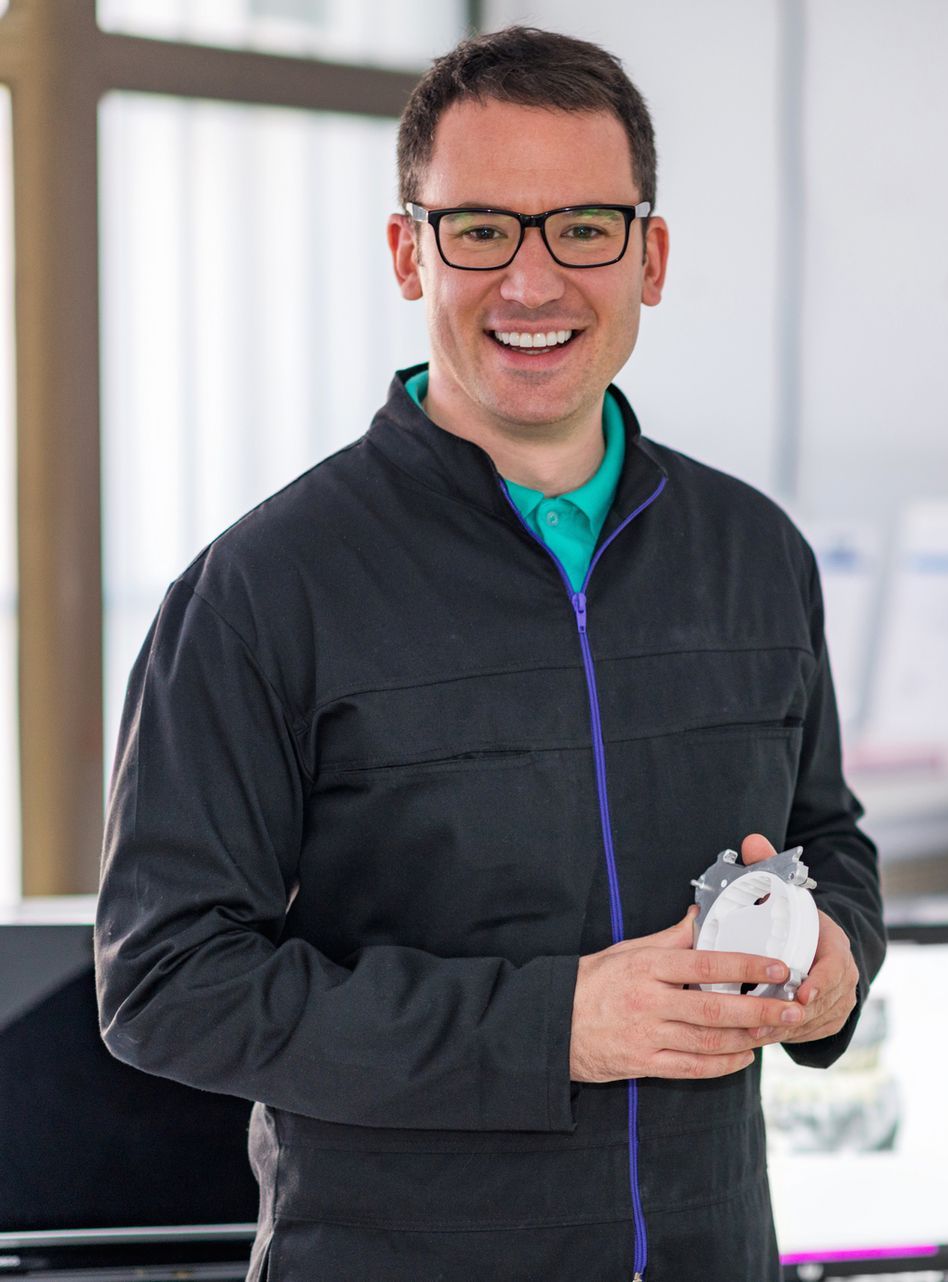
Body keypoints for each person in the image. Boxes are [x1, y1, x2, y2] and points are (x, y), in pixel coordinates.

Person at [92, 25, 883, 1281]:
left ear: (650, 256)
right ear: (410, 250)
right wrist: (552, 1024)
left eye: (582, 227)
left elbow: (829, 839)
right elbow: (168, 983)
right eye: (481, 230)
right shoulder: (263, 588)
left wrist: (838, 950)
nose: (533, 283)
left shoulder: (755, 552)